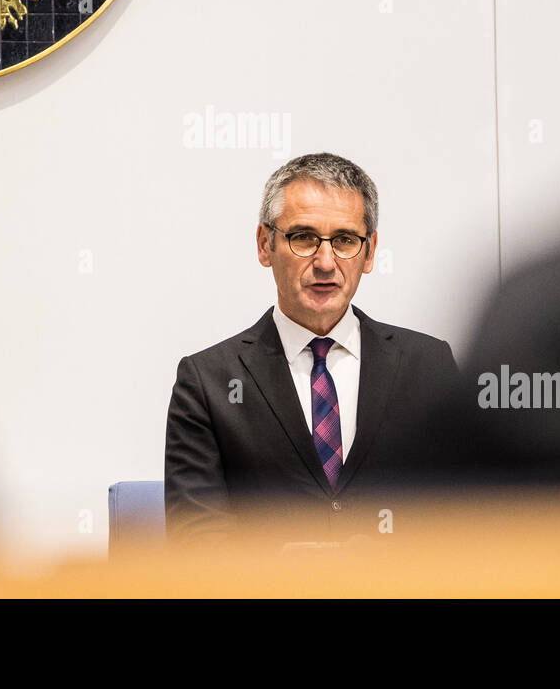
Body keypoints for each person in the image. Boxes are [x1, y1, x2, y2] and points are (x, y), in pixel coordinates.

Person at [164, 152, 461, 547]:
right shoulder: (208, 383)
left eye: (344, 240)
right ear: (265, 244)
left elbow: (467, 520)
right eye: (303, 237)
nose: (325, 262)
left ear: (369, 251)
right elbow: (195, 544)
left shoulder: (428, 366)